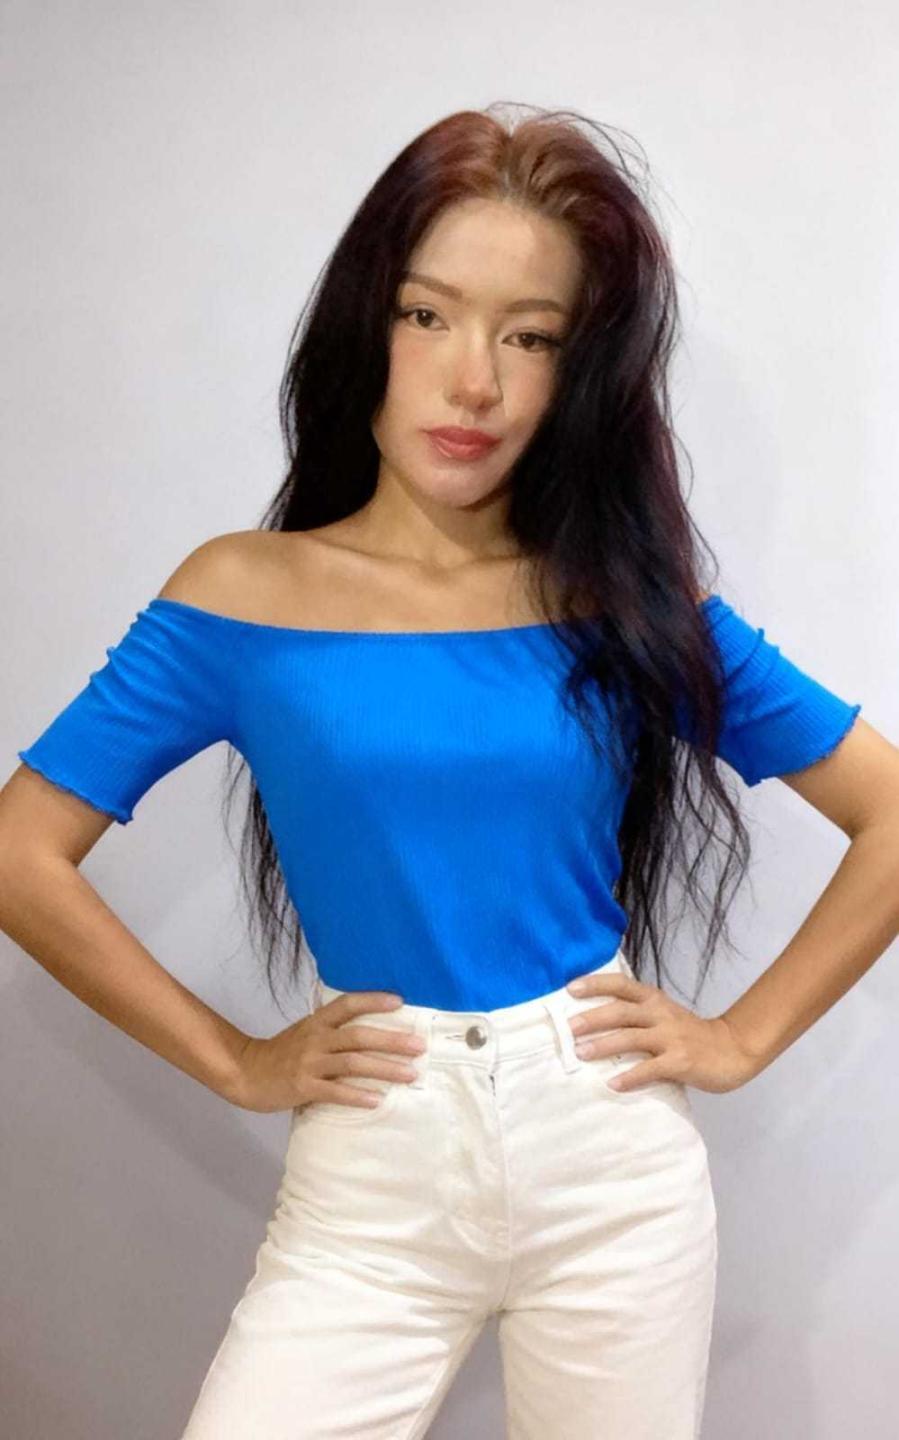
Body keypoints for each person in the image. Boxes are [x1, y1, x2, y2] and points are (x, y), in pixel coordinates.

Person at [2, 103, 895, 1440]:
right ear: (365, 326)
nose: (473, 382)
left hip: (610, 1170)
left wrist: (740, 1038)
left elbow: (889, 811)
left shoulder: (624, 602)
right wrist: (235, 1061)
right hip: (374, 1171)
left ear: (576, 374)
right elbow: (21, 853)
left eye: (531, 337)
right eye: (429, 316)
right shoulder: (242, 596)